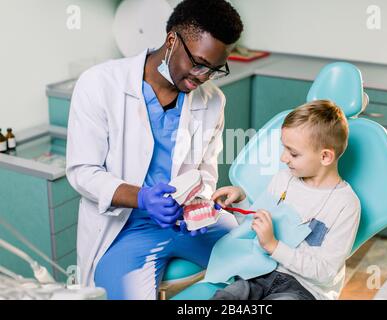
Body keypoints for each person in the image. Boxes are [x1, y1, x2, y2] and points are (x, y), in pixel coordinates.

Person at [66, 0, 243, 299]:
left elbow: (206, 170)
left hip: (186, 223)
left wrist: (197, 204)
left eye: (214, 70)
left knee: (260, 266)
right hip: (125, 228)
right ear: (172, 40)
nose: (202, 77)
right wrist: (143, 198)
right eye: (198, 63)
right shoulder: (100, 84)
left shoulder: (213, 100)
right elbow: (82, 172)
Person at [211, 100, 361, 300]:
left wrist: (274, 246)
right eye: (284, 149)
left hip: (306, 289)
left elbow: (325, 272)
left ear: (325, 157)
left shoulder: (345, 204)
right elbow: (254, 228)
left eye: (293, 153)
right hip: (259, 272)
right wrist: (240, 201)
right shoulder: (283, 180)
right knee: (226, 296)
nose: (283, 158)